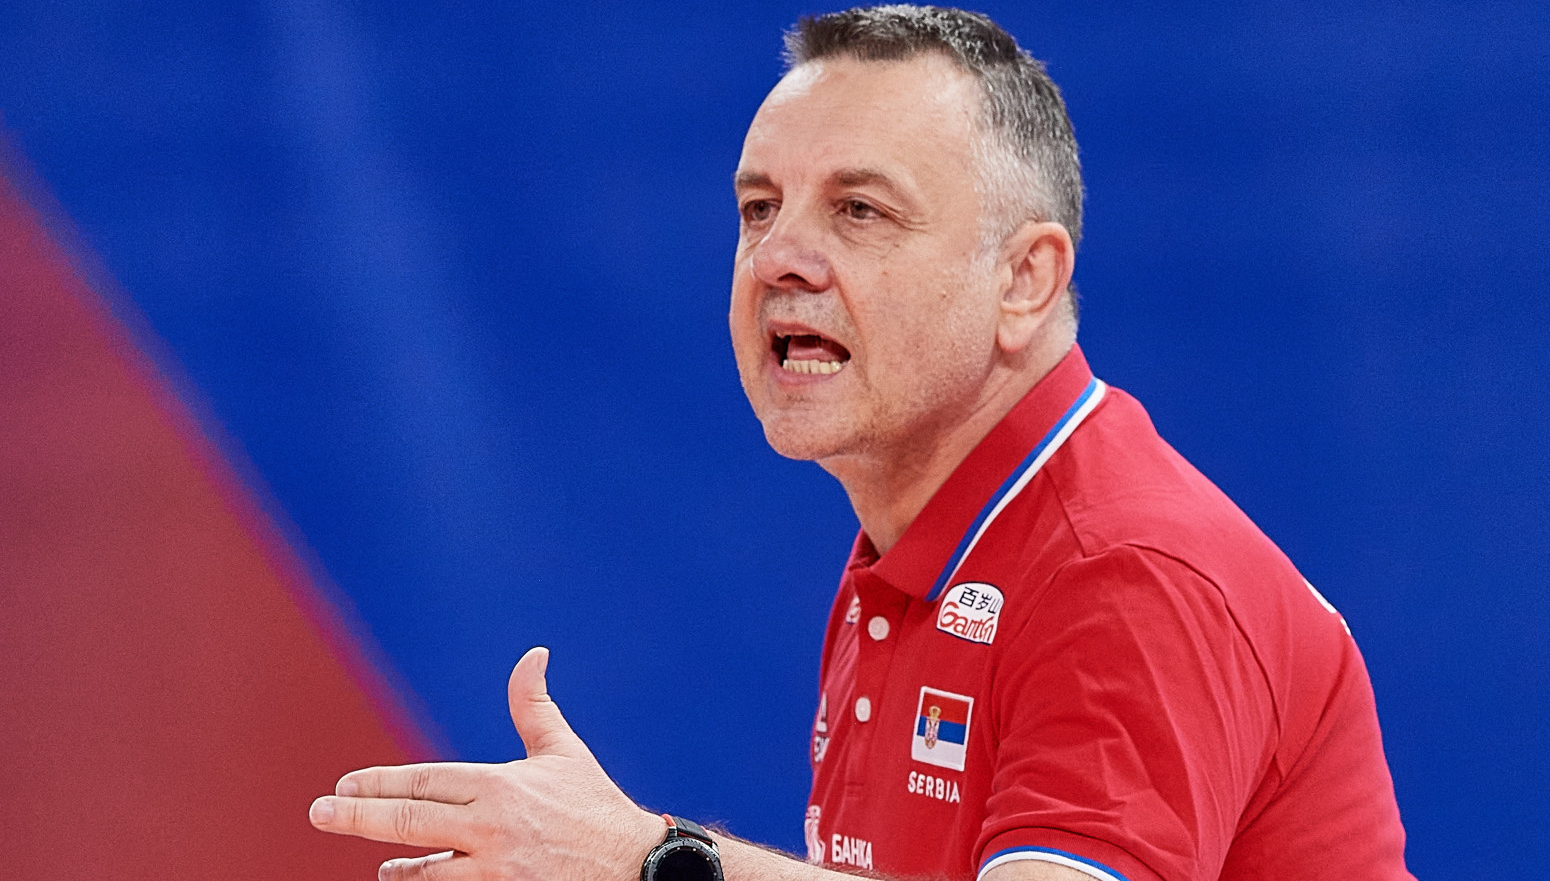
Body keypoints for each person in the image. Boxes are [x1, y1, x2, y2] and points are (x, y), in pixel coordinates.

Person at [309, 6, 1414, 880]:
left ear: (1024, 280)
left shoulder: (1122, 567)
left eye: (859, 211)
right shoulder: (926, 543)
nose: (777, 258)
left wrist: (647, 860)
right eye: (758, 208)